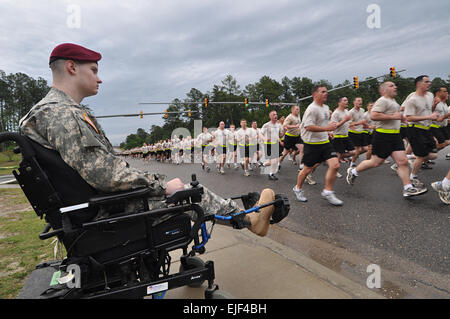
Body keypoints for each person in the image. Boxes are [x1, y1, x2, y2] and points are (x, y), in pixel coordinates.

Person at [18, 43, 279, 237]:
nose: (99, 77)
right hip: (104, 211)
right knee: (189, 194)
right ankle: (248, 220)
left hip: (88, 207)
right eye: (94, 70)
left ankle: (243, 216)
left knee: (180, 188)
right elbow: (104, 174)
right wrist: (160, 185)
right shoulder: (62, 113)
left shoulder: (46, 112)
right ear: (72, 67)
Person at [345, 81, 427, 197]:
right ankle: (353, 171)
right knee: (375, 162)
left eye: (395, 85)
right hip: (382, 136)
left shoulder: (394, 102)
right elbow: (374, 115)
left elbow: (396, 116)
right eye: (391, 86)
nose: (395, 86)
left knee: (402, 162)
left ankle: (408, 188)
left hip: (395, 136)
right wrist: (392, 117)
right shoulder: (382, 100)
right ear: (383, 90)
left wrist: (402, 119)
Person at [292, 85, 343, 206]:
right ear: (315, 94)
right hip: (312, 144)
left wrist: (328, 132)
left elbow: (323, 123)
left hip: (325, 143)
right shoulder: (311, 109)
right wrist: (327, 128)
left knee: (335, 165)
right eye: (323, 92)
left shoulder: (325, 107)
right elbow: (308, 127)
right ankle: (297, 188)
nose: (326, 93)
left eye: (326, 91)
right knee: (307, 169)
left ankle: (328, 191)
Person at [403, 75, 439, 188]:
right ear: (419, 84)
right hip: (415, 129)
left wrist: (434, 107)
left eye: (430, 81)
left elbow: (428, 110)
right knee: (421, 156)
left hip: (426, 129)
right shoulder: (412, 100)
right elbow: (408, 118)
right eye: (427, 82)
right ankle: (412, 178)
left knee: (433, 155)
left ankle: (408, 157)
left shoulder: (430, 95)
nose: (429, 83)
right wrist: (430, 116)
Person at [330, 97, 355, 167]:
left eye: (347, 100)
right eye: (344, 100)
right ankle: (334, 169)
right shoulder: (336, 113)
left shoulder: (347, 111)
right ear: (339, 103)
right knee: (337, 160)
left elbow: (349, 122)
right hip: (338, 136)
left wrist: (351, 125)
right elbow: (334, 126)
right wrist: (344, 120)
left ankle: (335, 155)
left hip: (346, 136)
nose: (347, 102)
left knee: (353, 152)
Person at [260, 111, 284, 180]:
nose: (275, 116)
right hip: (268, 145)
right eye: (273, 115)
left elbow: (280, 135)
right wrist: (265, 139)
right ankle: (270, 174)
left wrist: (284, 131)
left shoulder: (278, 125)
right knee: (274, 160)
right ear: (270, 116)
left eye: (276, 114)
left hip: (276, 145)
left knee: (275, 161)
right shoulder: (266, 125)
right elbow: (260, 134)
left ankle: (271, 173)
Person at [348, 97, 369, 167]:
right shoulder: (351, 112)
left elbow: (363, 120)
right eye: (358, 101)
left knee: (366, 149)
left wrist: (368, 126)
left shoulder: (362, 110)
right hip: (354, 133)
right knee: (358, 149)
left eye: (361, 101)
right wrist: (360, 123)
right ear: (354, 102)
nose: (360, 102)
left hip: (361, 132)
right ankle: (352, 164)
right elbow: (349, 124)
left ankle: (352, 156)